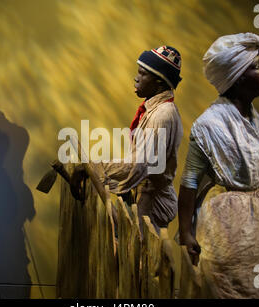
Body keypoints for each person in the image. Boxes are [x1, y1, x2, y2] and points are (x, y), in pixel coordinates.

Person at [178, 33, 259, 298]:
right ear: (236, 77)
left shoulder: (255, 120)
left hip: (258, 223)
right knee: (227, 289)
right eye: (256, 66)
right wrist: (185, 232)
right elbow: (189, 181)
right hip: (224, 224)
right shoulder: (209, 125)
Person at [71, 46, 184, 233]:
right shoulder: (154, 110)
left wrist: (91, 168)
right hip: (142, 196)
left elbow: (140, 164)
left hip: (151, 205)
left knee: (144, 257)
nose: (136, 77)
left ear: (159, 81)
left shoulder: (163, 115)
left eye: (142, 73)